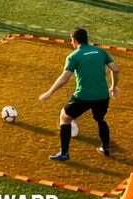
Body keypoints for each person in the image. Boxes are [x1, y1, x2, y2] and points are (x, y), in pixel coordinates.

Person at [39, 27, 119, 161]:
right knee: (100, 119)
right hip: (102, 95)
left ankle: (64, 153)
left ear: (74, 40)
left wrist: (49, 92)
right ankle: (104, 147)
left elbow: (64, 79)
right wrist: (113, 87)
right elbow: (115, 70)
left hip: (83, 96)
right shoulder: (101, 52)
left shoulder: (74, 56)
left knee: (65, 118)